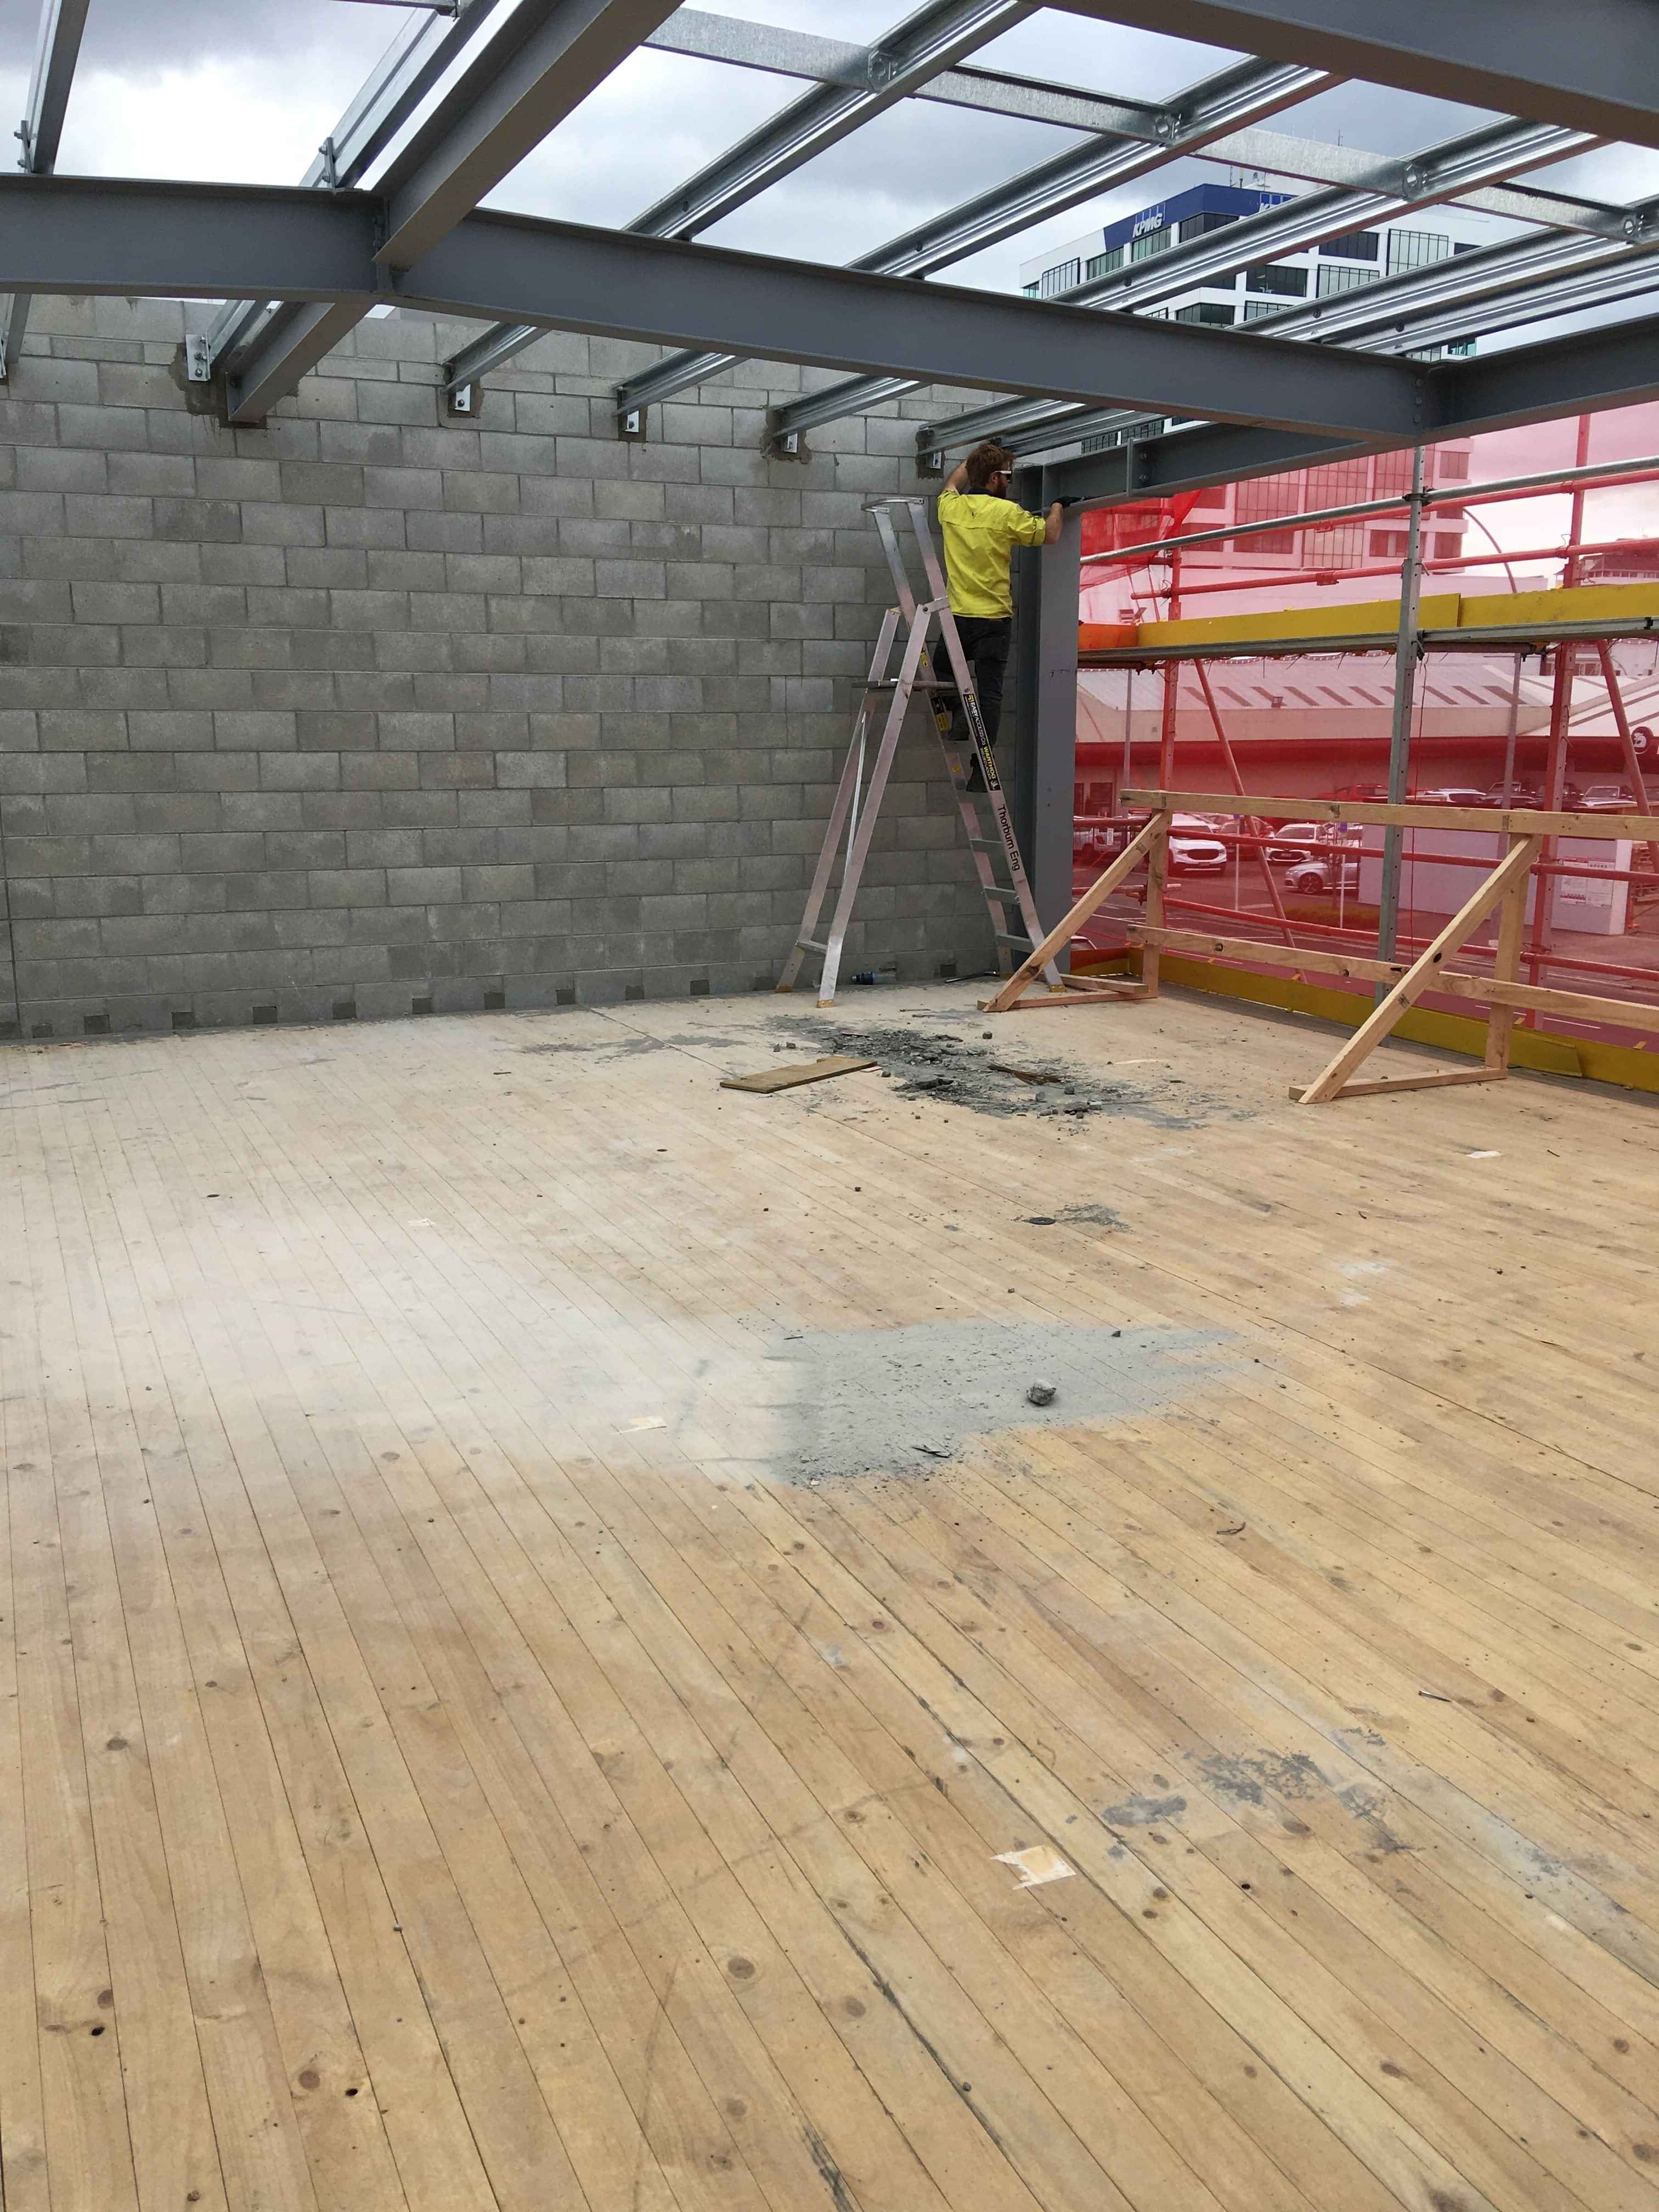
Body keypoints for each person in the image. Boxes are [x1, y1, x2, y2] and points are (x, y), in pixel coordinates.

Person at [936, 442, 1067, 786]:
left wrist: (974, 458)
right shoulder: (1007, 514)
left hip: (959, 617)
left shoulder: (951, 508)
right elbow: (1051, 534)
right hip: (994, 619)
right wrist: (1057, 507)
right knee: (991, 693)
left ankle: (960, 717)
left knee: (940, 670)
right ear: (995, 478)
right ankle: (982, 771)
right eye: (1006, 476)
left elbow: (951, 483)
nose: (1009, 482)